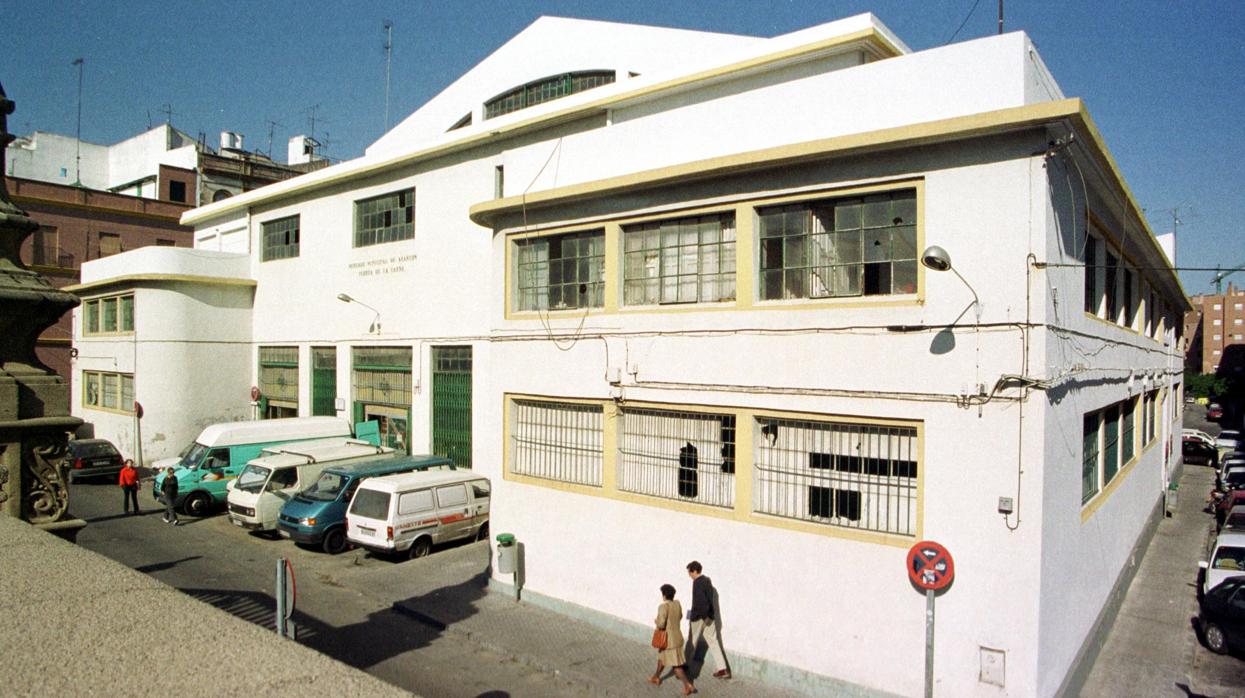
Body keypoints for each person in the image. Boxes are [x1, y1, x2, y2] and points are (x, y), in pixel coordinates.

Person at [686, 560, 731, 680]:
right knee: (714, 642)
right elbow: (709, 600)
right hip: (711, 617)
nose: (689, 575)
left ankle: (685, 666)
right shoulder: (708, 581)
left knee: (692, 641)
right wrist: (710, 616)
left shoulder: (697, 583)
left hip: (700, 618)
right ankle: (723, 669)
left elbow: (700, 601)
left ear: (694, 571)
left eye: (690, 572)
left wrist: (701, 616)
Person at [649, 583, 696, 696]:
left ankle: (688, 685)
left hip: (668, 642)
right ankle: (656, 677)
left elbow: (661, 624)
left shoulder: (663, 607)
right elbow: (679, 616)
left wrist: (656, 621)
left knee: (677, 667)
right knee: (661, 659)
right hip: (677, 638)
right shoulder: (677, 604)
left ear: (664, 595)